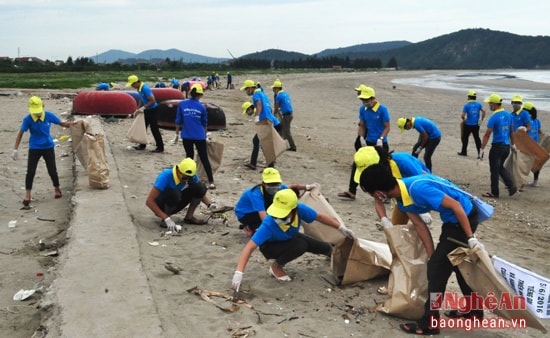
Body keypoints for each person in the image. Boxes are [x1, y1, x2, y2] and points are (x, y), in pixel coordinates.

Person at [359, 164, 484, 335]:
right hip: (452, 222)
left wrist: (471, 238)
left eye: (372, 193)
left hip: (463, 219)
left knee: (436, 271)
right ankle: (474, 311)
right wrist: (432, 254)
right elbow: (419, 225)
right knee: (456, 264)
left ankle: (430, 322)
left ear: (380, 192)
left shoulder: (417, 189)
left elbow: (456, 206)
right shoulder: (401, 197)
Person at [231, 189, 355, 290]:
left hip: (289, 238)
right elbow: (249, 247)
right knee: (300, 245)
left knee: (326, 248)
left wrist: (341, 227)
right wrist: (239, 273)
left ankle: (336, 257)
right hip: (270, 247)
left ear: (293, 210)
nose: (279, 216)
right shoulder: (269, 224)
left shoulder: (300, 209)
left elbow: (320, 217)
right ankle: (276, 267)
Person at [12, 96, 75, 206]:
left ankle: (57, 189)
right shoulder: (28, 119)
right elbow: (21, 133)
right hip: (34, 148)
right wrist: (15, 149)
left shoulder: (49, 116)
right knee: (31, 171)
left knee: (52, 170)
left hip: (48, 147)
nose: (37, 114)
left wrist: (75, 123)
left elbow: (62, 123)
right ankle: (28, 194)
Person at [353, 146, 432, 228]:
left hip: (421, 196)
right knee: (396, 229)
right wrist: (384, 219)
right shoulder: (376, 175)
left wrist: (422, 210)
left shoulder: (403, 162)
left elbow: (424, 182)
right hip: (401, 198)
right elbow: (378, 199)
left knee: (421, 227)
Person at [338, 86, 390, 200]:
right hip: (368, 141)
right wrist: (361, 137)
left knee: (383, 169)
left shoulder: (382, 109)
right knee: (357, 164)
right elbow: (362, 124)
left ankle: (385, 193)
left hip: (381, 144)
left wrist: (381, 138)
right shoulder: (363, 109)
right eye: (363, 100)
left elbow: (387, 127)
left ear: (373, 98)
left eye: (367, 100)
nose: (365, 102)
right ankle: (352, 191)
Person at [234, 167, 320, 236]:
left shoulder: (279, 187)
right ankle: (249, 226)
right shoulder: (255, 194)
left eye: (276, 184)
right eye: (271, 184)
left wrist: (308, 186)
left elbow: (292, 187)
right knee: (274, 216)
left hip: (263, 209)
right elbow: (263, 217)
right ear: (263, 184)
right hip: (245, 214)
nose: (274, 186)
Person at [145, 158, 221, 229]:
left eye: (189, 178)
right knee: (175, 193)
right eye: (184, 178)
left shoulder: (191, 176)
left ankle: (189, 217)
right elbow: (149, 201)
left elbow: (199, 190)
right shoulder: (165, 176)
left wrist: (210, 205)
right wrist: (166, 218)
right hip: (162, 203)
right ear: (178, 171)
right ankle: (165, 219)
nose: (186, 181)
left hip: (176, 199)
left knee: (200, 186)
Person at [175, 84, 215, 189]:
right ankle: (211, 181)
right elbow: (204, 123)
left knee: (189, 157)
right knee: (204, 158)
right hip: (199, 136)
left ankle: (187, 180)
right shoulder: (202, 107)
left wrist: (176, 133)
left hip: (186, 135)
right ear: (200, 95)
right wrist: (205, 135)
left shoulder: (182, 104)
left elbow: (178, 120)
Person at [479, 93, 517, 198]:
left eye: (490, 103)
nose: (489, 105)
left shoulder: (494, 117)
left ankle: (494, 192)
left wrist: (482, 148)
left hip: (497, 146)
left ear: (494, 104)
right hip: (506, 146)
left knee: (494, 170)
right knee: (500, 167)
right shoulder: (509, 115)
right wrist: (513, 145)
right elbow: (511, 131)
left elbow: (487, 134)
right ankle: (511, 185)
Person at [240, 79, 281, 170]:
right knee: (259, 141)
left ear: (251, 88)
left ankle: (267, 165)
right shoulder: (263, 94)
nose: (246, 91)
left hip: (265, 121)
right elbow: (268, 107)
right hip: (270, 120)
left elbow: (259, 105)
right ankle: (257, 163)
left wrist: (258, 116)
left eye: (246, 89)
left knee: (262, 143)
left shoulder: (256, 95)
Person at [126, 75, 164, 153]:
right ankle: (142, 145)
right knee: (143, 127)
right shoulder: (139, 89)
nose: (132, 86)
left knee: (154, 128)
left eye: (132, 85)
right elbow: (141, 98)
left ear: (136, 82)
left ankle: (160, 147)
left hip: (153, 110)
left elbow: (152, 100)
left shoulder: (145, 88)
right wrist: (138, 108)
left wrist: (144, 107)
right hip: (147, 110)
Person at [458, 90, 485, 158]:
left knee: (465, 138)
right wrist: (481, 120)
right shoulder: (478, 104)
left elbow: (462, 115)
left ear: (469, 97)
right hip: (476, 124)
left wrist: (464, 120)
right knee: (477, 139)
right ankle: (480, 154)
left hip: (468, 124)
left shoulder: (467, 105)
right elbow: (484, 111)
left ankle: (464, 152)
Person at [272, 79, 296, 151]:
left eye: (274, 88)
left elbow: (276, 107)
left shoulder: (278, 96)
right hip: (289, 114)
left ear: (276, 88)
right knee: (281, 128)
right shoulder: (285, 94)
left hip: (287, 115)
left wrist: (273, 115)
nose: (273, 90)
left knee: (286, 131)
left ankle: (293, 146)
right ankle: (280, 144)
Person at [524, 102, 543, 187]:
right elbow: (540, 132)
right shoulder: (537, 120)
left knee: (523, 163)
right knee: (536, 164)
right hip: (536, 145)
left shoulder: (526, 120)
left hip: (527, 145)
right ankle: (535, 181)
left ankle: (520, 181)